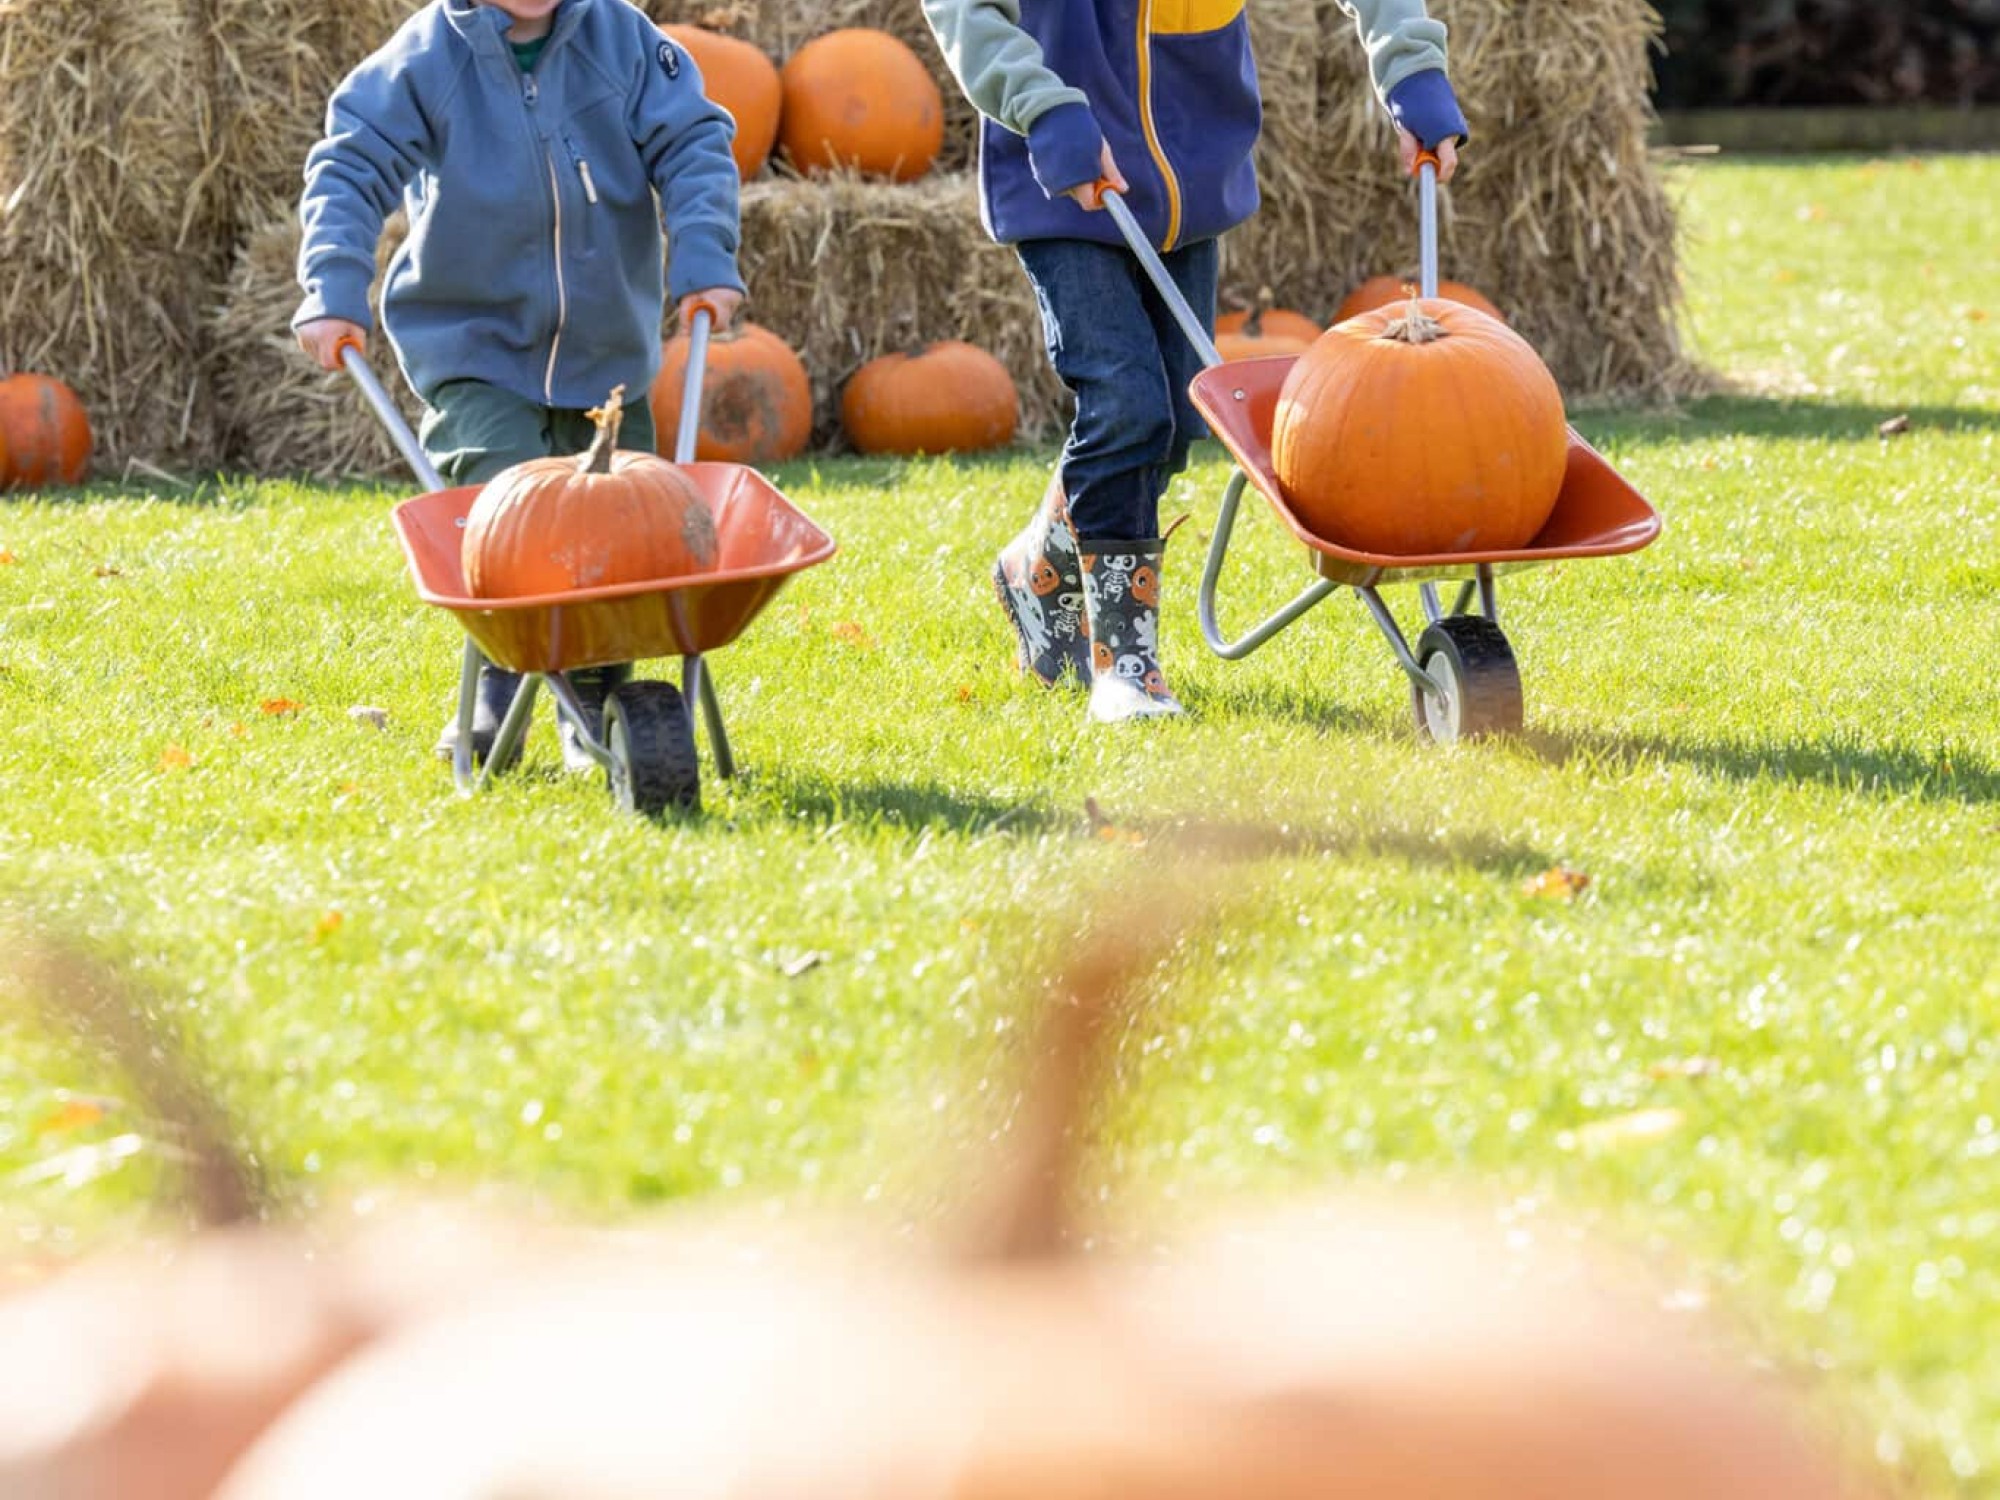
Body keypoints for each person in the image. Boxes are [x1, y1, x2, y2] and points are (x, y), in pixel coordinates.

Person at [920, 0, 1469, 724]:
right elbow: (963, 10)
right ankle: (1126, 665)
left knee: (1176, 423)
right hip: (1064, 169)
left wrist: (1410, 64)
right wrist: (1040, 105)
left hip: (1189, 176)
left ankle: (1038, 568)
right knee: (1126, 406)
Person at [294, 0, 745, 767]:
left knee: (623, 541)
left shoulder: (624, 42)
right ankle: (501, 682)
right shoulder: (427, 59)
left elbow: (693, 143)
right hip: (474, 349)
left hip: (609, 358)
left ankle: (597, 697)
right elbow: (351, 164)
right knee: (503, 514)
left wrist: (705, 256)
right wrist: (333, 286)